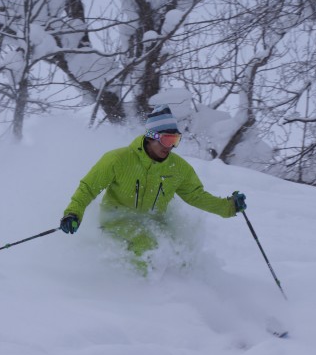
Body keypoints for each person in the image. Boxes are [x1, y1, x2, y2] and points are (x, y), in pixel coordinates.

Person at [59, 105, 246, 274]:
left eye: (175, 140)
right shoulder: (118, 159)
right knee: (147, 245)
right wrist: (73, 213)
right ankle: (141, 295)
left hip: (154, 221)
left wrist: (228, 206)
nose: (170, 146)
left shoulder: (178, 168)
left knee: (180, 250)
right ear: (151, 137)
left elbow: (196, 195)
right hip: (118, 220)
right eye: (166, 140)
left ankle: (182, 293)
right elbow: (89, 187)